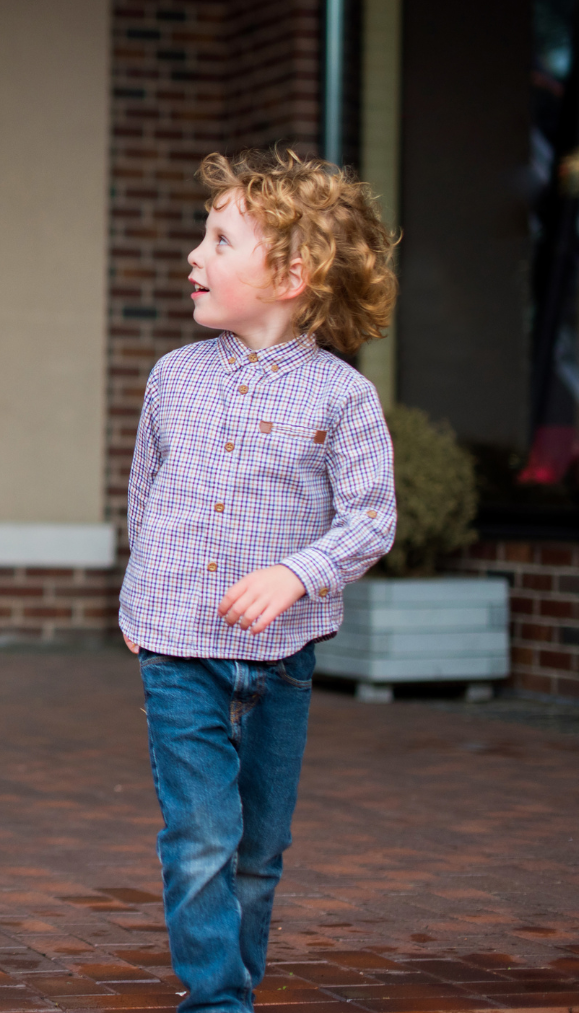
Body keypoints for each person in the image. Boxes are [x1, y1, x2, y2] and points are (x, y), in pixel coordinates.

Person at [121, 149, 399, 1013]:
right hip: (177, 653)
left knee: (259, 844)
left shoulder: (342, 399)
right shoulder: (174, 378)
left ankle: (232, 980)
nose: (193, 257)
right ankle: (216, 1001)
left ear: (290, 273)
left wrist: (296, 572)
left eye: (219, 240)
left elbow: (371, 518)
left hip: (282, 659)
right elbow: (145, 495)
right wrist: (141, 600)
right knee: (201, 834)